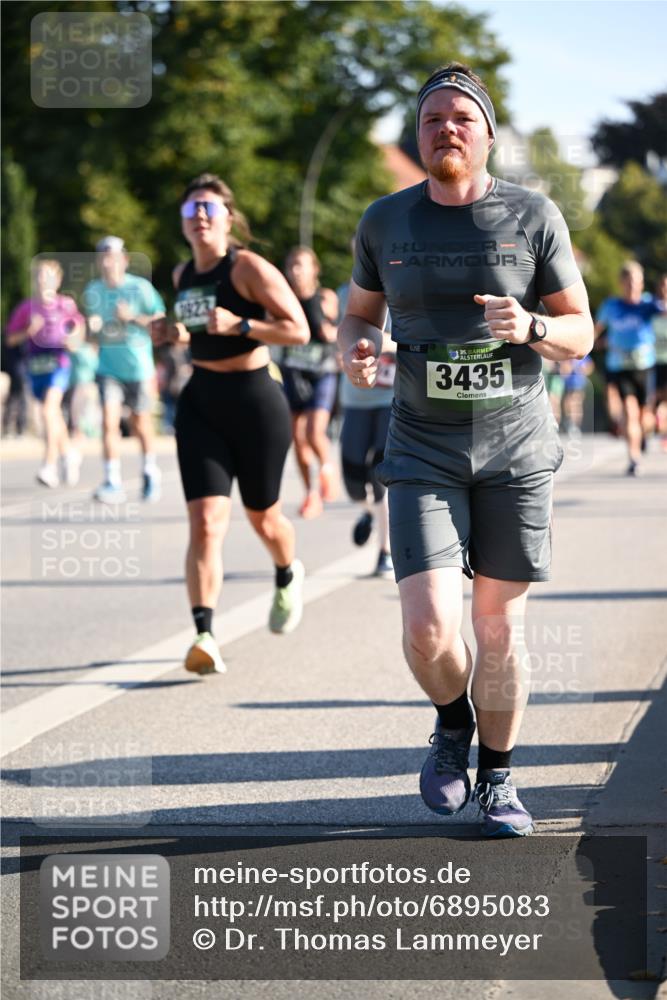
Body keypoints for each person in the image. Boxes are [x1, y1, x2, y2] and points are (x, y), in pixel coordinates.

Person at [338, 63, 593, 838]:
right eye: (430, 119)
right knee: (426, 628)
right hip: (421, 449)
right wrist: (354, 350)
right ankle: (452, 722)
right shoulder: (385, 221)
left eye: (460, 118)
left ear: (485, 134)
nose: (445, 128)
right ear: (417, 136)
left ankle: (499, 779)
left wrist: (536, 329)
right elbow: (355, 317)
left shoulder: (533, 216)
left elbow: (581, 330)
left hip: (514, 452)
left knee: (497, 631)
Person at [152, 173, 309, 675]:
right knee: (204, 522)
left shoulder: (247, 267)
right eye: (191, 209)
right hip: (201, 402)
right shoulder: (181, 276)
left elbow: (298, 330)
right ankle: (203, 634)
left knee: (263, 518)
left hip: (255, 401)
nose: (199, 216)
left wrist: (242, 324)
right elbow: (196, 333)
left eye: (209, 209)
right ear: (182, 222)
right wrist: (173, 333)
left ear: (227, 219)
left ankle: (287, 571)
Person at [83, 236, 166, 503]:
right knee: (108, 422)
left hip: (139, 368)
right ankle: (112, 481)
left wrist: (131, 317)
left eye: (113, 256)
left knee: (141, 424)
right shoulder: (92, 291)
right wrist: (87, 332)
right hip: (108, 368)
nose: (108, 262)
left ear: (125, 260)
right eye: (103, 257)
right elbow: (91, 336)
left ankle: (150, 471)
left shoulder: (140, 288)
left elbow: (160, 322)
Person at [5, 259, 84, 486]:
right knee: (52, 415)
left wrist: (73, 341)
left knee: (50, 410)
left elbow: (78, 331)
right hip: (36, 366)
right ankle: (68, 452)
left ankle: (49, 466)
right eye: (38, 275)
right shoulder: (26, 308)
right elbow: (10, 339)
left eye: (47, 276)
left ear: (57, 280)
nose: (42, 280)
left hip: (58, 363)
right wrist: (28, 331)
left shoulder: (65, 306)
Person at [337, 267, 395, 577]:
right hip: (356, 399)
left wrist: (383, 344)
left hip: (391, 398)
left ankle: (385, 552)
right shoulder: (346, 294)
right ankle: (368, 512)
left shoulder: (406, 287)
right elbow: (341, 335)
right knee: (352, 479)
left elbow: (415, 342)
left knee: (382, 477)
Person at [281, 246, 340, 519]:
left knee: (315, 431)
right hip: (294, 372)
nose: (295, 270)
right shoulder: (282, 299)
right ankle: (310, 494)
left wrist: (331, 332)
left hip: (322, 371)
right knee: (297, 437)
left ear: (314, 269)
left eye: (301, 265)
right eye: (291, 265)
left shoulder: (325, 297)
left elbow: (333, 329)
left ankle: (327, 468)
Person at [594, 262, 659, 476]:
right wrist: (583, 350)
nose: (633, 286)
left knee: (644, 418)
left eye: (637, 282)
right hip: (619, 366)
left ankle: (643, 436)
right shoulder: (611, 306)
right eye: (629, 282)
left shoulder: (649, 304)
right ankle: (634, 458)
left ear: (642, 283)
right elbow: (596, 330)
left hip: (644, 367)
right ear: (622, 283)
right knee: (630, 413)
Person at [651, 274, 667, 451]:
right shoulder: (651, 306)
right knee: (658, 398)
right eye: (662, 285)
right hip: (655, 360)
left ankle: (664, 433)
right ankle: (659, 428)